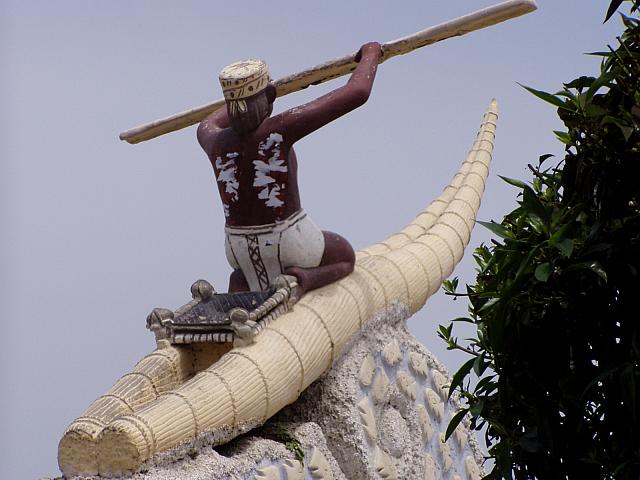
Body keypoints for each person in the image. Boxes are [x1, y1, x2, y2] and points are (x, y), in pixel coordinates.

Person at [197, 42, 382, 297]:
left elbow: (213, 119)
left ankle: (239, 293)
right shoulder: (278, 130)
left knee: (242, 274)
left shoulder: (211, 138)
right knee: (344, 255)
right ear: (270, 97)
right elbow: (357, 92)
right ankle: (302, 279)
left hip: (237, 247)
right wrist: (371, 54)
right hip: (288, 239)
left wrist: (238, 96)